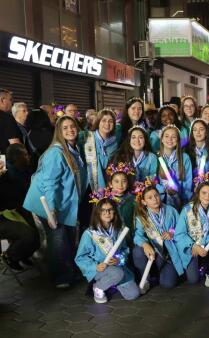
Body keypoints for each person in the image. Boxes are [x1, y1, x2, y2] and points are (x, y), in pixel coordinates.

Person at [24, 115, 88, 288]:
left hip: (63, 203)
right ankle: (61, 278)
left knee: (65, 238)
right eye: (65, 128)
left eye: (72, 126)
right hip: (48, 203)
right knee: (58, 239)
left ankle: (67, 271)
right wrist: (51, 210)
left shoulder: (75, 148)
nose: (70, 130)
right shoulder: (56, 152)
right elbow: (50, 184)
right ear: (59, 132)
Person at [75, 192, 140, 303]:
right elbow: (80, 257)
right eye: (103, 210)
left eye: (110, 209)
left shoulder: (119, 230)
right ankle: (98, 287)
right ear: (97, 213)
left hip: (118, 267)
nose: (107, 213)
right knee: (117, 274)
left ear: (115, 212)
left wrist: (119, 259)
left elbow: (125, 249)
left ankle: (111, 283)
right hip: (101, 269)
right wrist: (95, 266)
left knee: (133, 294)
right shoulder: (89, 233)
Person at [132, 179, 194, 291]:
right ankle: (145, 277)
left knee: (167, 284)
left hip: (170, 253)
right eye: (149, 198)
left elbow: (182, 228)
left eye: (156, 195)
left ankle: (164, 272)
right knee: (138, 251)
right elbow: (137, 236)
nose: (154, 199)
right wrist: (145, 244)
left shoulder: (171, 210)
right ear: (144, 202)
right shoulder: (142, 217)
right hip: (154, 253)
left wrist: (172, 233)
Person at [176, 172, 209, 289]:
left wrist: (202, 243)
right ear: (198, 193)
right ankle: (201, 263)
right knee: (193, 280)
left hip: (206, 243)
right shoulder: (187, 210)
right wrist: (194, 246)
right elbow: (179, 234)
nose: (207, 196)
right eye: (204, 193)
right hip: (191, 247)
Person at [0, 143, 38, 271]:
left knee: (38, 232)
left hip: (18, 208)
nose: (29, 157)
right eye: (25, 155)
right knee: (29, 234)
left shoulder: (24, 169)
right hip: (6, 213)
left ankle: (22, 254)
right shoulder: (7, 174)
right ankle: (10, 256)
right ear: (17, 158)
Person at [80, 109, 119, 191]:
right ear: (98, 122)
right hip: (89, 185)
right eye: (103, 120)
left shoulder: (115, 142)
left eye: (110, 121)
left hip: (108, 184)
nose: (107, 124)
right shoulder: (87, 138)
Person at [157, 125, 193, 209]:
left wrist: (180, 195)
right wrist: (163, 190)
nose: (170, 139)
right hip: (161, 203)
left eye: (173, 137)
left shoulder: (185, 157)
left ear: (178, 140)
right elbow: (154, 181)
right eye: (166, 136)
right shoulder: (156, 158)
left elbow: (188, 183)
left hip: (182, 202)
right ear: (162, 139)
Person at [105, 162, 136, 242]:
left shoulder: (133, 199)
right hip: (111, 237)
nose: (120, 185)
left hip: (129, 235)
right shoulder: (106, 200)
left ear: (128, 183)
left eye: (124, 181)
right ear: (110, 184)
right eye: (116, 181)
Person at [0, 88, 21, 154]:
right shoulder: (6, 118)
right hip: (6, 161)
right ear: (2, 100)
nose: (12, 103)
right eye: (10, 99)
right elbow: (15, 145)